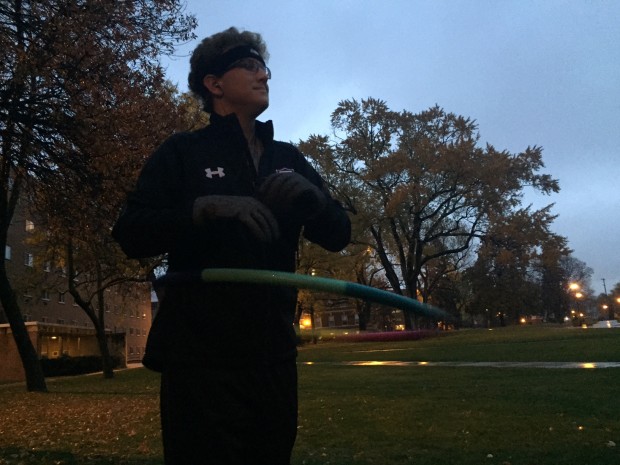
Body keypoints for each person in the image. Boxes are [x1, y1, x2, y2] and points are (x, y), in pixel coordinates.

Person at [112, 27, 351, 465]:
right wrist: (204, 207)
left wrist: (314, 200)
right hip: (201, 363)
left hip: (273, 358)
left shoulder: (288, 159)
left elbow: (339, 235)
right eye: (251, 66)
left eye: (265, 68)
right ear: (215, 83)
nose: (265, 77)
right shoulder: (182, 153)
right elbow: (131, 232)